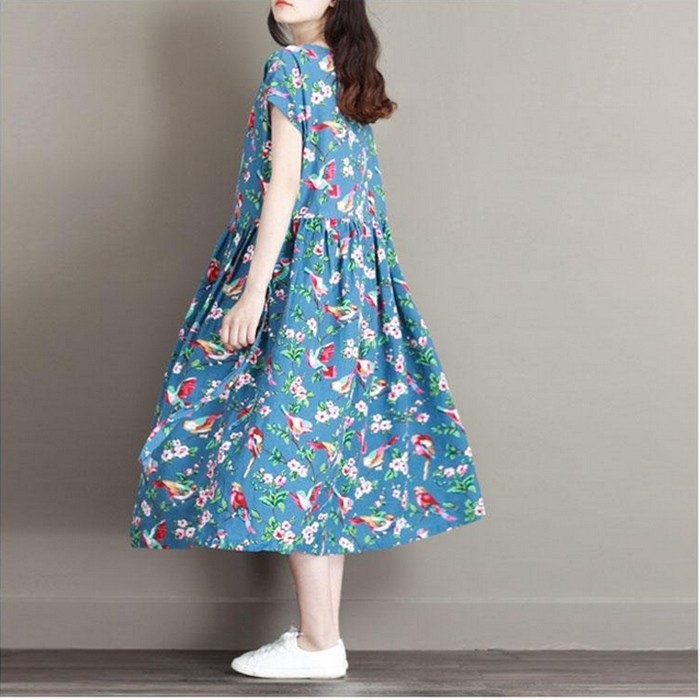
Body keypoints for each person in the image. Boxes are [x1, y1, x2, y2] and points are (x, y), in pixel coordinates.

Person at [129, 0, 486, 680]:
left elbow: (286, 185)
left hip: (301, 278)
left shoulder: (291, 66)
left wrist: (253, 290)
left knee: (285, 444)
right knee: (319, 452)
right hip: (353, 284)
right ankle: (321, 639)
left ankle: (320, 643)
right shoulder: (347, 73)